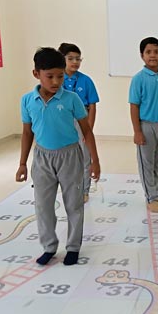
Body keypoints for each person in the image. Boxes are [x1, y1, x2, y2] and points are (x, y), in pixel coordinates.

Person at [16, 47, 101, 266]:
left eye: (60, 76)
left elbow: (86, 131)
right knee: (43, 206)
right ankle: (49, 246)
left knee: (74, 204)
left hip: (70, 156)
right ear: (36, 74)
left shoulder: (72, 99)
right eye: (50, 76)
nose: (56, 82)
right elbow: (27, 133)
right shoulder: (27, 100)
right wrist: (22, 163)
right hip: (42, 158)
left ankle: (73, 247)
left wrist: (94, 161)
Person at [129, 37, 158, 213]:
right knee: (146, 164)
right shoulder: (138, 79)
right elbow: (134, 106)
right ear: (142, 55)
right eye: (148, 52)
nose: (152, 55)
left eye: (156, 52)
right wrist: (137, 131)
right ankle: (150, 198)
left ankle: (154, 195)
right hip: (146, 126)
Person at [58, 42, 100, 203]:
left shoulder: (86, 80)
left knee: (84, 157)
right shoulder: (56, 79)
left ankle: (84, 190)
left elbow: (92, 106)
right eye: (70, 58)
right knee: (65, 159)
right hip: (62, 123)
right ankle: (69, 189)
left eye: (78, 59)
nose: (75, 62)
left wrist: (89, 128)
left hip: (82, 121)